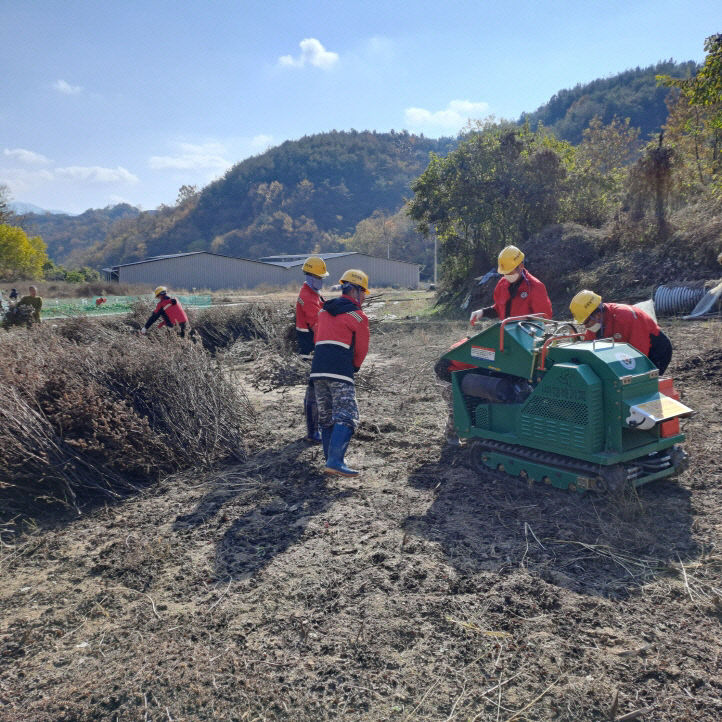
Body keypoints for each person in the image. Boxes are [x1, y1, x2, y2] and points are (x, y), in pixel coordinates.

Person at [310, 269, 370, 477]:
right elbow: (361, 349)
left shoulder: (323, 311)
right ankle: (336, 461)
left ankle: (331, 461)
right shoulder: (358, 316)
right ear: (354, 291)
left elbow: (317, 338)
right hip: (340, 371)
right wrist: (354, 367)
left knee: (326, 418)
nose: (363, 298)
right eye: (363, 293)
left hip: (317, 371)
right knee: (347, 416)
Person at [569, 290, 673, 374]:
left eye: (586, 322)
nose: (586, 326)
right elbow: (589, 347)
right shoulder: (595, 325)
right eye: (583, 323)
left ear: (597, 314)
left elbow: (640, 354)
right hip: (627, 350)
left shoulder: (626, 317)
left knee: (643, 384)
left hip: (654, 350)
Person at [469, 245, 552, 325]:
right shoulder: (502, 284)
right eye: (504, 272)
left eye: (510, 271)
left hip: (528, 336)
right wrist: (483, 312)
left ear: (521, 266)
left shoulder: (535, 287)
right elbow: (500, 309)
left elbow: (544, 320)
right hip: (507, 334)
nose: (507, 275)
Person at [296, 256, 329, 443]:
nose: (321, 280)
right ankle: (312, 432)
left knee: (315, 388)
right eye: (319, 277)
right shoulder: (308, 297)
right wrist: (323, 347)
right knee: (314, 389)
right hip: (310, 348)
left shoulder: (312, 292)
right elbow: (317, 325)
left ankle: (314, 430)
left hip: (312, 347)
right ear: (310, 276)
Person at [434, 337, 477, 446]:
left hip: (462, 376)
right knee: (457, 407)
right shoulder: (469, 349)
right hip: (446, 378)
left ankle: (473, 433)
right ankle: (451, 435)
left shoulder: (476, 345)